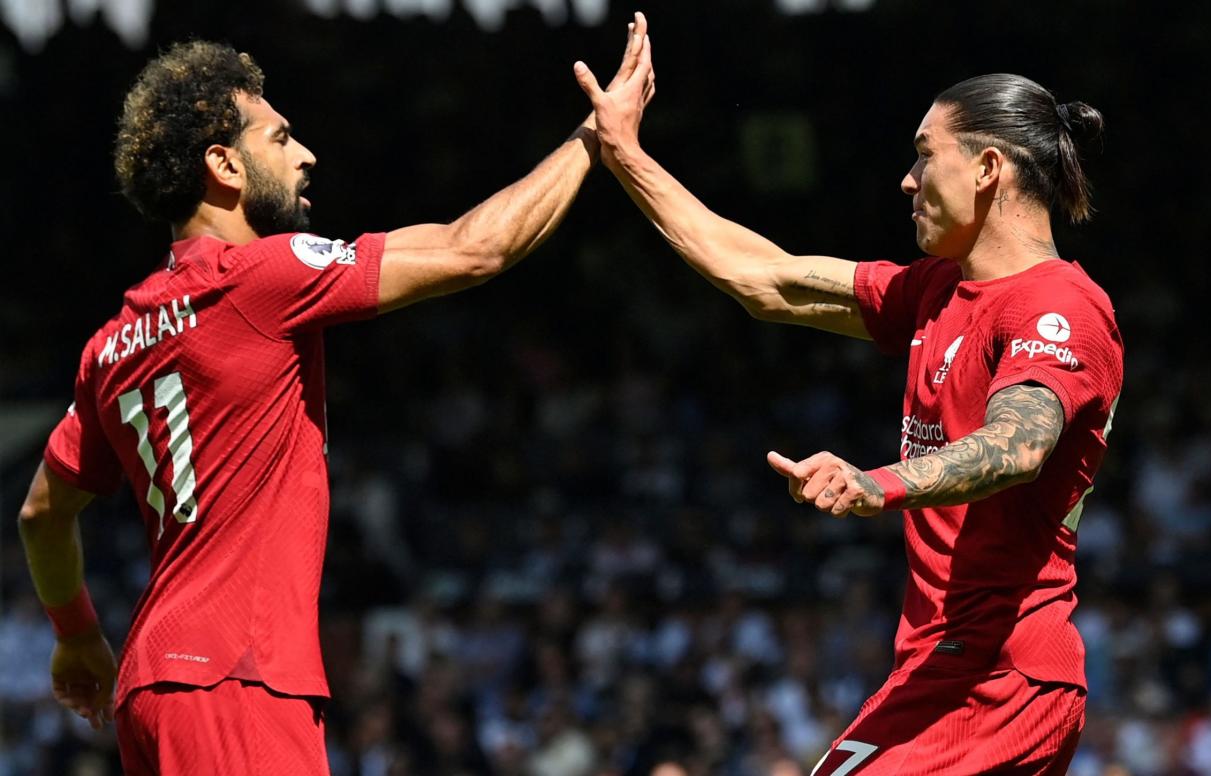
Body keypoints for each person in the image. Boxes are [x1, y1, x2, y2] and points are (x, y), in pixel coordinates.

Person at [17, 17, 654, 775]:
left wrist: (76, 633)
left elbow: (42, 513)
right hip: (235, 674)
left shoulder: (111, 343)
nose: (307, 155)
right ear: (222, 163)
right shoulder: (261, 277)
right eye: (280, 139)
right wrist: (597, 135)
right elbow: (475, 248)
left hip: (157, 684)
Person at [575, 42, 1122, 776]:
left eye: (926, 156)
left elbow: (1016, 447)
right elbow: (766, 279)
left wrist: (878, 485)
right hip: (945, 670)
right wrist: (624, 155)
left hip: (997, 678)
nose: (907, 180)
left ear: (988, 168)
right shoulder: (935, 291)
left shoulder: (1056, 306)